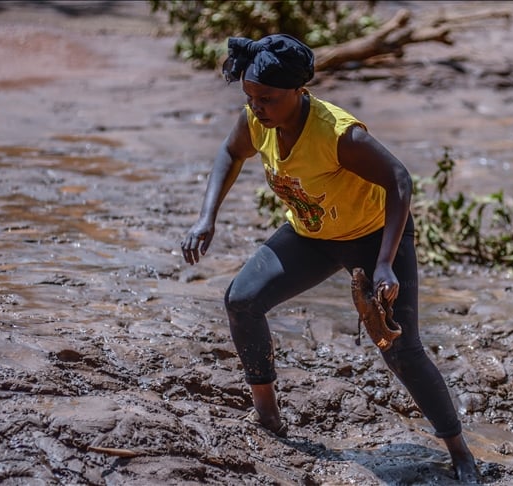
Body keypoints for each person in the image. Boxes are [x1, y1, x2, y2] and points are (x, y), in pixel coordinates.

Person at [180, 34, 480, 483]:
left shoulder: (338, 134)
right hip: (313, 235)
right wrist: (207, 218)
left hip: (372, 238)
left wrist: (384, 263)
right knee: (241, 301)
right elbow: (229, 152)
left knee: (402, 351)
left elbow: (399, 180)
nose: (257, 107)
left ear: (299, 92)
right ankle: (267, 416)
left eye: (268, 98)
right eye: (250, 97)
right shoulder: (256, 120)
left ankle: (459, 451)